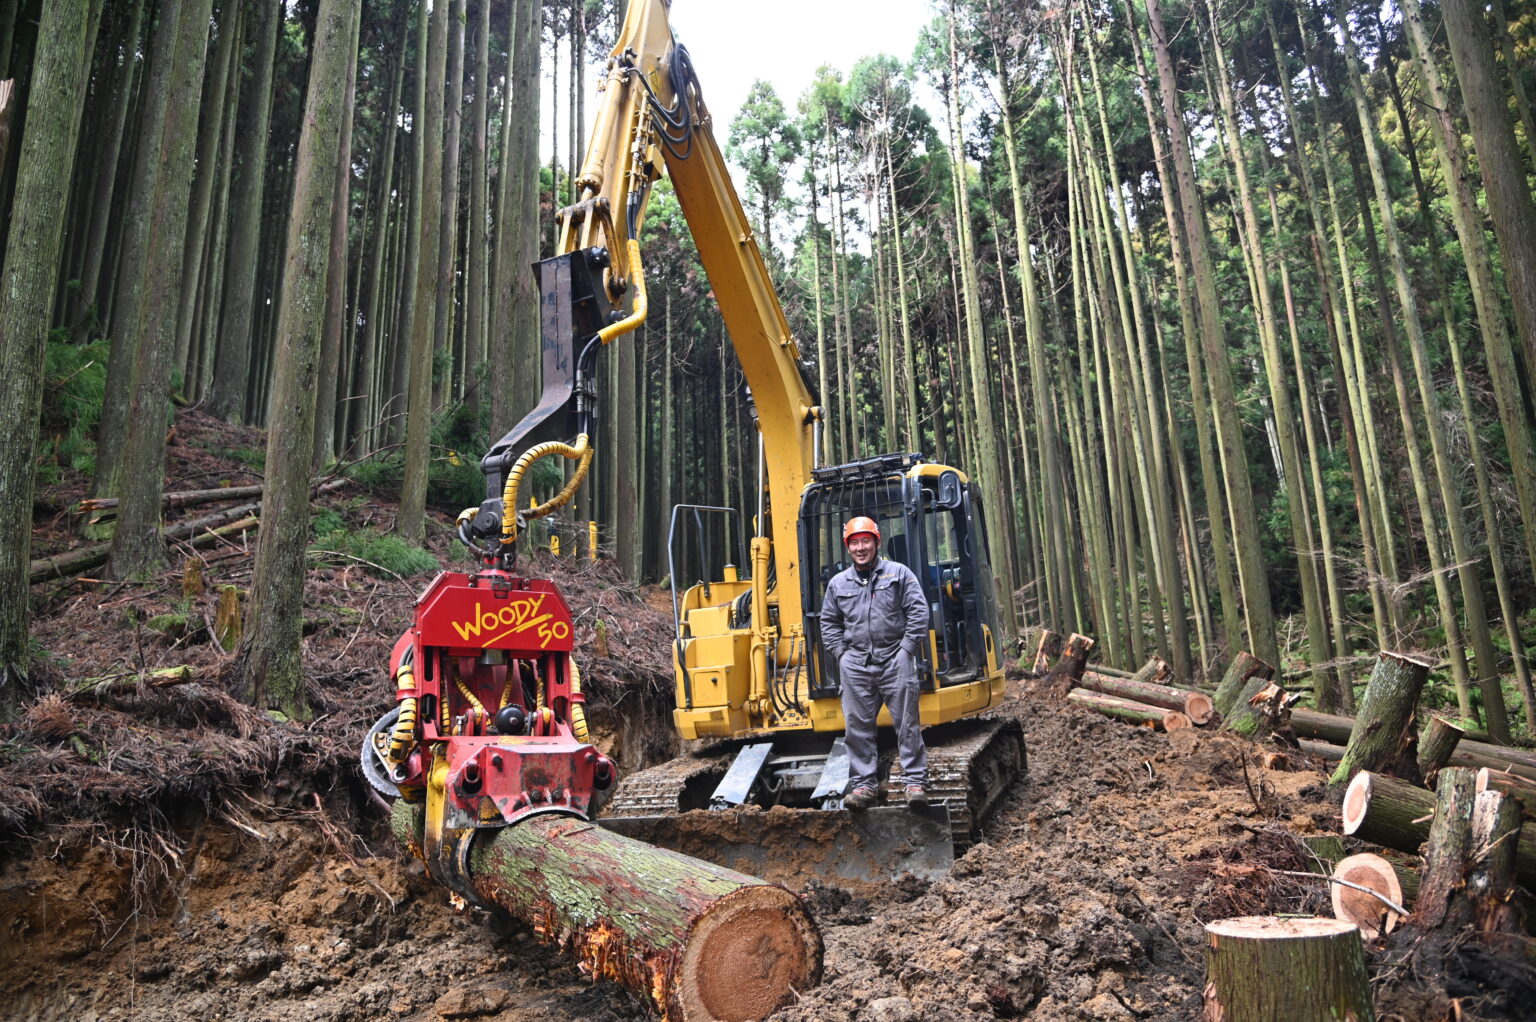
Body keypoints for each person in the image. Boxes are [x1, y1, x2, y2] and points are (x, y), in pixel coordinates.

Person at [819, 516, 930, 809]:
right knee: (857, 728)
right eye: (854, 542)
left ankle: (914, 783)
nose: (860, 547)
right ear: (848, 547)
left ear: (876, 542)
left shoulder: (898, 574)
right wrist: (842, 655)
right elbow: (828, 623)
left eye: (865, 540)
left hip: (895, 657)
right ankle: (864, 787)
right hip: (855, 663)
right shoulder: (837, 584)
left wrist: (906, 650)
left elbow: (918, 612)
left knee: (907, 724)